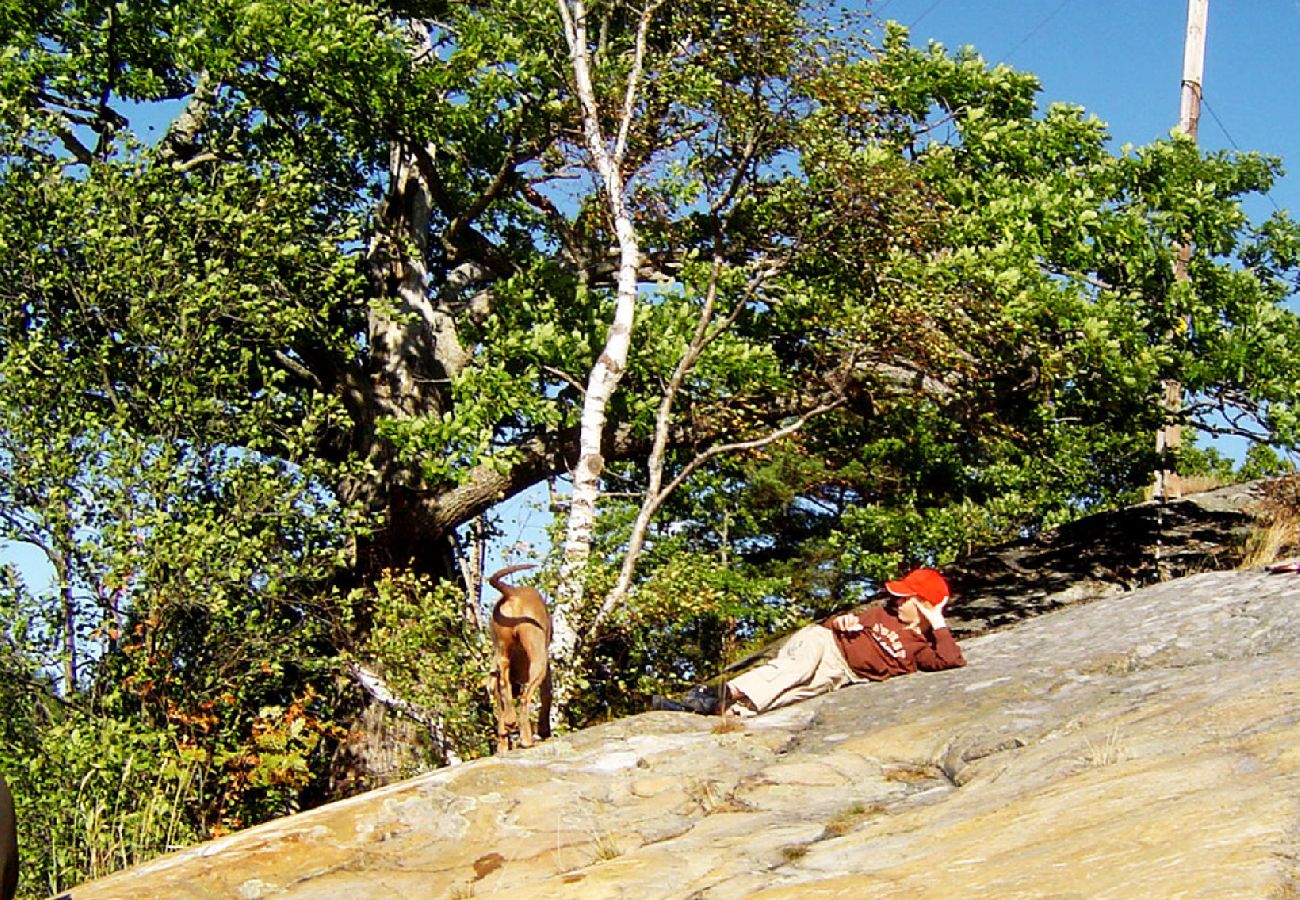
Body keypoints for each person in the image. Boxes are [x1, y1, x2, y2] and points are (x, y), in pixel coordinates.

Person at [656, 568, 965, 717]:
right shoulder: (882, 613)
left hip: (842, 674)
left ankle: (712, 711)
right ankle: (717, 693)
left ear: (923, 604)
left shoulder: (922, 648)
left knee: (794, 693)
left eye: (904, 597)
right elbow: (832, 624)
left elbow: (951, 660)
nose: (895, 599)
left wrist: (937, 621)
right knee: (797, 669)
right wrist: (840, 621)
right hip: (825, 643)